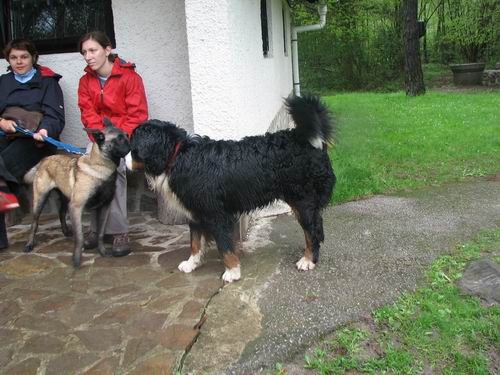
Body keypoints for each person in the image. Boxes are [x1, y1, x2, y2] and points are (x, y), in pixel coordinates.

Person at [78, 31, 148, 257]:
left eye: (93, 50)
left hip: (126, 138)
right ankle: (97, 226)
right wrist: (100, 139)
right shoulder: (85, 81)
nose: (88, 56)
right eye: (84, 52)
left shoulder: (130, 78)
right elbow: (88, 114)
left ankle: (118, 231)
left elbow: (137, 116)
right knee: (91, 168)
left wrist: (115, 139)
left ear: (107, 50)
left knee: (113, 168)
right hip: (100, 139)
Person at [0, 39, 65, 249]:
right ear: (8, 60)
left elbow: (55, 116)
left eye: (24, 57)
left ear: (34, 58)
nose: (19, 62)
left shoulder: (48, 82)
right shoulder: (3, 82)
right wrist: (2, 122)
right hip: (6, 135)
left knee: (4, 166)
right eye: (14, 57)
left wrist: (44, 130)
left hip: (36, 140)